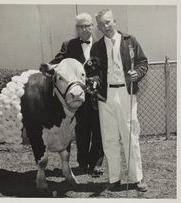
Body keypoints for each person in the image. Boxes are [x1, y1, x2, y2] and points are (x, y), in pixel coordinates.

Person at [90, 9, 148, 192]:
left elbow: (143, 63)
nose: (105, 26)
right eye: (101, 24)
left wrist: (136, 74)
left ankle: (137, 178)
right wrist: (94, 80)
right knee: (109, 138)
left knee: (130, 135)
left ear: (114, 21)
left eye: (107, 22)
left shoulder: (130, 41)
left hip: (126, 93)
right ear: (98, 26)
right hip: (105, 96)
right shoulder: (97, 47)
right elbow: (93, 71)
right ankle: (114, 178)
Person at [50, 12, 104, 177]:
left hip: (98, 96)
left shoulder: (101, 45)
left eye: (88, 25)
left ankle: (96, 164)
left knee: (99, 129)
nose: (86, 29)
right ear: (77, 29)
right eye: (82, 26)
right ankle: (82, 163)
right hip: (76, 96)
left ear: (92, 26)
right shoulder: (69, 45)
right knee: (82, 129)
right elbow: (55, 64)